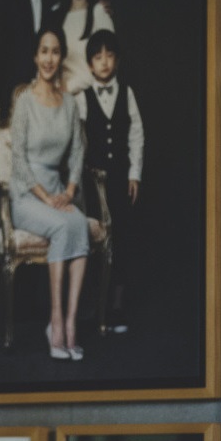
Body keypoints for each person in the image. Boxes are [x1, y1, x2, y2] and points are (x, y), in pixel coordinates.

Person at [9, 27, 89, 360]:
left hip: (58, 190)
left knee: (79, 224)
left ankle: (70, 325)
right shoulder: (24, 101)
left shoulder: (69, 103)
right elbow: (18, 159)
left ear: (61, 57)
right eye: (44, 51)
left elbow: (78, 151)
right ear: (35, 56)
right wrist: (47, 199)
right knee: (61, 225)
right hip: (27, 194)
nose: (49, 58)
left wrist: (69, 191)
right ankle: (54, 321)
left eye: (55, 51)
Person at [80, 29, 144, 333]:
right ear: (90, 64)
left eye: (109, 55)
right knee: (95, 240)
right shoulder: (82, 98)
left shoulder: (127, 93)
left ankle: (117, 307)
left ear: (116, 60)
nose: (104, 62)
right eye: (97, 57)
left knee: (122, 239)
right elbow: (76, 140)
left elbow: (137, 136)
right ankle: (97, 305)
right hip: (92, 184)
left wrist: (134, 174)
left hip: (120, 180)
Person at [42, 0, 115, 110]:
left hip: (94, 102)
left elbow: (108, 66)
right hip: (60, 104)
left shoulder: (99, 13)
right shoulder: (56, 14)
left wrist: (70, 87)